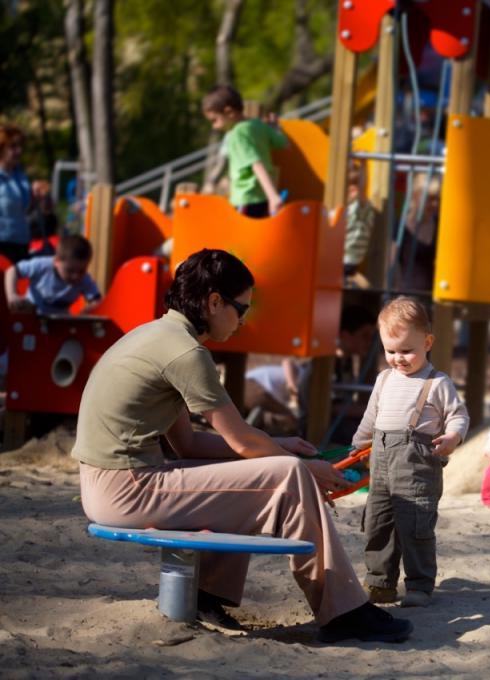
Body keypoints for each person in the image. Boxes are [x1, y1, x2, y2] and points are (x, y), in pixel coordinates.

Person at [72, 248, 412, 643]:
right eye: (241, 309)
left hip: (111, 483)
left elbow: (186, 444)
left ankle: (207, 594)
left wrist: (277, 442)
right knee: (283, 474)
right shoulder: (185, 352)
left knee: (259, 472)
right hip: (125, 488)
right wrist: (302, 466)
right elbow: (240, 439)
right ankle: (343, 611)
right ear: (214, 302)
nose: (243, 320)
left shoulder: (159, 336)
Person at [351, 296, 469, 608]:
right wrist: (357, 444)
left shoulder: (437, 382)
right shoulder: (384, 379)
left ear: (427, 342)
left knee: (415, 525)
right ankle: (380, 583)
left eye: (406, 350)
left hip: (416, 467)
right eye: (390, 351)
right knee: (378, 524)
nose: (398, 358)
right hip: (381, 464)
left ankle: (418, 584)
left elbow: (459, 415)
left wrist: (453, 437)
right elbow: (371, 418)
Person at [202, 85, 288, 218]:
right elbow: (284, 144)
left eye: (215, 120)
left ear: (229, 111)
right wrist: (275, 128)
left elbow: (255, 163)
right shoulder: (259, 125)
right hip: (262, 197)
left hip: (246, 198)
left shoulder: (237, 134)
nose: (214, 126)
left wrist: (273, 196)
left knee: (238, 237)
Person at [5, 234, 101, 315]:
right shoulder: (42, 266)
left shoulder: (84, 279)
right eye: (70, 270)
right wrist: (12, 295)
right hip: (31, 313)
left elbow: (97, 301)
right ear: (56, 261)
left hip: (58, 321)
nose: (76, 276)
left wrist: (86, 312)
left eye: (81, 271)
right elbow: (12, 271)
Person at [244, 358, 308, 433]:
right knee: (290, 420)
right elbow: (287, 362)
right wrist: (292, 386)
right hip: (253, 385)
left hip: (255, 390)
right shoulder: (303, 372)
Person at [0, 124, 31, 263]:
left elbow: (24, 210)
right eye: (13, 147)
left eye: (20, 146)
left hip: (21, 244)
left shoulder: (21, 176)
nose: (19, 151)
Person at [343, 161, 375, 278]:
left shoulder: (360, 207)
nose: (353, 188)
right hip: (342, 258)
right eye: (349, 184)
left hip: (349, 259)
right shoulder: (344, 207)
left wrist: (363, 165)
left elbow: (363, 189)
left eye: (355, 183)